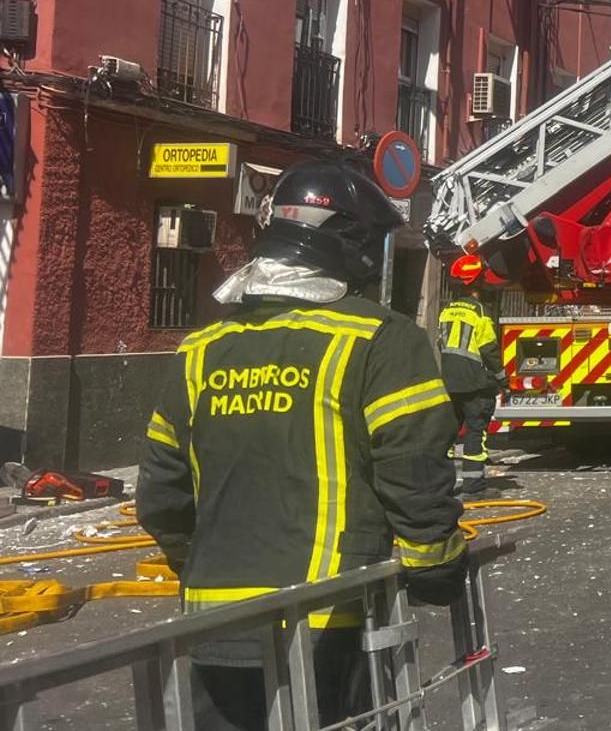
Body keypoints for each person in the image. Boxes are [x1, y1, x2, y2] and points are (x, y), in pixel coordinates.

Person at [136, 161, 467, 731]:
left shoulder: (200, 350)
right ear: (352, 243)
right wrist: (435, 566)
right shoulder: (380, 339)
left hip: (215, 625)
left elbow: (162, 498)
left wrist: (201, 566)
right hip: (329, 619)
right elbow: (413, 469)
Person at [438, 266, 504, 496]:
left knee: (448, 434)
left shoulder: (446, 310)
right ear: (479, 285)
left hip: (449, 381)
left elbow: (442, 343)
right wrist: (501, 378)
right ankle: (474, 487)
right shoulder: (480, 312)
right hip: (474, 382)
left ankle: (443, 487)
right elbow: (489, 349)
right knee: (476, 432)